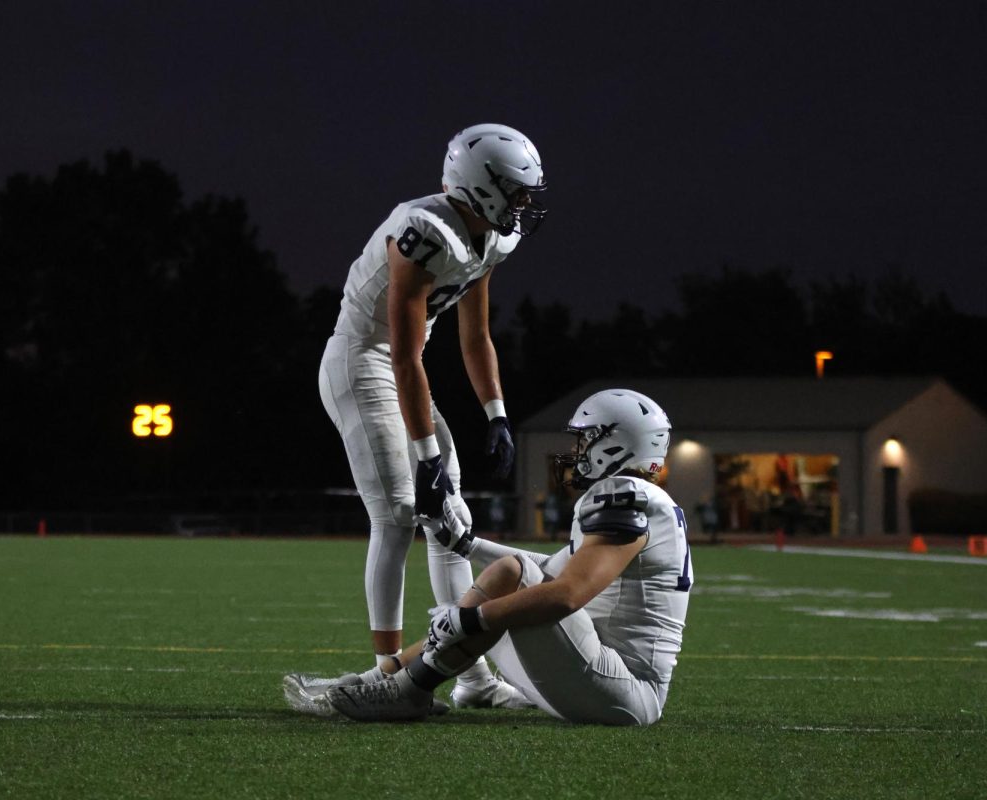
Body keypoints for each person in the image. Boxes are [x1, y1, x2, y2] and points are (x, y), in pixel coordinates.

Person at [309, 123, 547, 709]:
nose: (522, 205)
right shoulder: (423, 232)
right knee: (396, 514)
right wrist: (427, 457)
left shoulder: (491, 236)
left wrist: (496, 413)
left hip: (396, 364)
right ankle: (389, 673)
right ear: (482, 185)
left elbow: (476, 335)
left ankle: (471, 678)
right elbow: (404, 354)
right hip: (360, 361)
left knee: (449, 521)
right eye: (515, 191)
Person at [287, 389, 692, 724]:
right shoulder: (643, 500)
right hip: (607, 680)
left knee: (509, 584)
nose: (578, 449)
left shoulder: (622, 495)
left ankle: (408, 690)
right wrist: (467, 545)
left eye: (587, 439)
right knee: (512, 582)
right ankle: (385, 677)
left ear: (616, 443)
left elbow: (567, 594)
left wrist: (470, 618)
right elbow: (547, 571)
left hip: (624, 688)